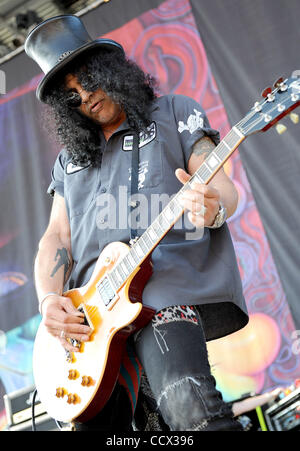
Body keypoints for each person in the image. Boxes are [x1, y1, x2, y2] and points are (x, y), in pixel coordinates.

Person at [25, 15, 249, 431]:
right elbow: (55, 238)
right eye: (71, 97)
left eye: (88, 80)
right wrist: (47, 300)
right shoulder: (69, 163)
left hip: (162, 291)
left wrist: (213, 208)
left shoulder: (175, 112)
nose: (86, 97)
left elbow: (221, 188)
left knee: (192, 410)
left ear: (110, 69)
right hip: (91, 321)